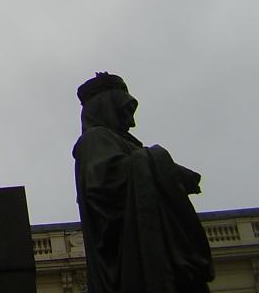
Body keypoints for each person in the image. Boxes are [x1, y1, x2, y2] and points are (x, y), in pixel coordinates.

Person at [73, 73, 213, 293]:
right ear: (106, 108)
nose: (132, 122)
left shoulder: (119, 142)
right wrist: (166, 167)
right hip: (131, 261)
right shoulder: (95, 138)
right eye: (124, 112)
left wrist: (165, 172)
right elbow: (105, 184)